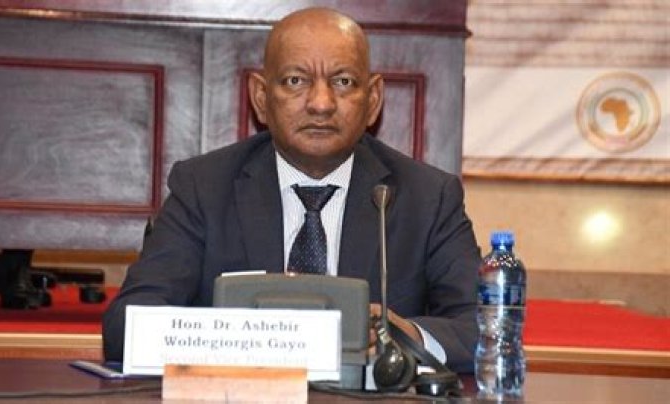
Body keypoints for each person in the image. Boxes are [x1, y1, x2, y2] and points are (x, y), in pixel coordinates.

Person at [103, 7, 480, 373]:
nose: (321, 104)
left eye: (343, 82)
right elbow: (126, 325)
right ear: (261, 98)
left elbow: (482, 328)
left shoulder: (428, 198)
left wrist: (404, 336)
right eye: (296, 81)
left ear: (373, 100)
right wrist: (246, 338)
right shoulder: (204, 187)